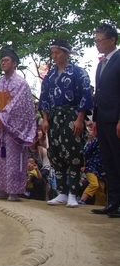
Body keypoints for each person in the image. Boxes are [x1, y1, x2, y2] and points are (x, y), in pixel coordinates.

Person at [39, 39, 93, 207]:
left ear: (67, 53)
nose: (54, 56)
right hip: (54, 116)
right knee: (56, 153)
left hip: (72, 115)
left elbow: (86, 95)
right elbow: (44, 98)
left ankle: (73, 193)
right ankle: (61, 192)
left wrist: (79, 118)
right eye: (52, 53)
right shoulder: (50, 76)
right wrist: (45, 119)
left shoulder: (79, 72)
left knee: (73, 153)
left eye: (58, 52)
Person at [0, 47, 36, 201]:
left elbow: (20, 105)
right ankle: (0, 189)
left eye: (6, 60)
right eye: (1, 61)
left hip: (14, 129)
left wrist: (4, 117)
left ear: (14, 63)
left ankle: (14, 191)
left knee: (13, 159)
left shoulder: (21, 84)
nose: (3, 63)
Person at [91, 24, 120, 217]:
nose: (97, 44)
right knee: (108, 162)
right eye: (95, 41)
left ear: (112, 40)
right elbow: (99, 92)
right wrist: (94, 119)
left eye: (100, 40)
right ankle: (114, 202)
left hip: (116, 118)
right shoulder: (102, 64)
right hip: (102, 118)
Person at [80, 127, 106, 206]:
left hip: (101, 169)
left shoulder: (106, 141)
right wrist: (83, 164)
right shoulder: (95, 140)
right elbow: (85, 153)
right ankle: (82, 200)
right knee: (94, 184)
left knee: (100, 190)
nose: (90, 133)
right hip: (91, 167)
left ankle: (99, 206)